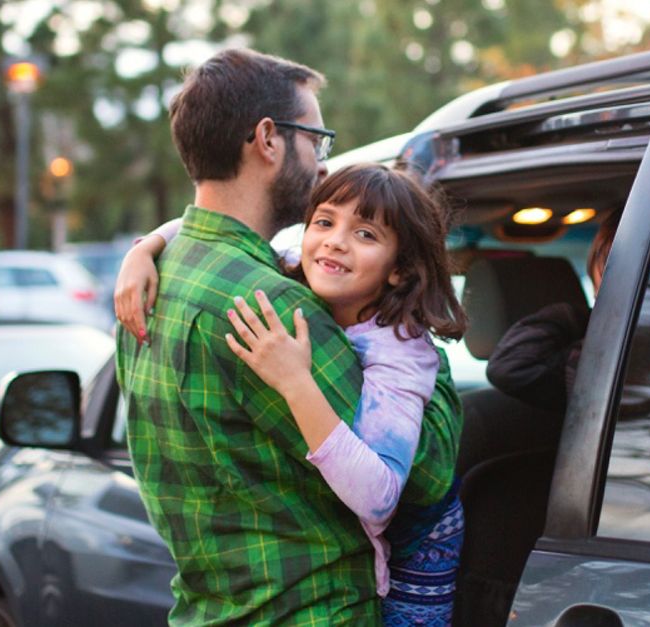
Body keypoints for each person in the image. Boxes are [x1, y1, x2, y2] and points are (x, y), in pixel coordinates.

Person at [114, 48, 461, 625]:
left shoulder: (153, 281)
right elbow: (423, 476)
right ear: (269, 139)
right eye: (318, 140)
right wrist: (421, 344)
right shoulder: (276, 308)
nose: (322, 165)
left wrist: (145, 245)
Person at [485, 209, 621, 410]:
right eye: (610, 267)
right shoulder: (594, 353)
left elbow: (508, 368)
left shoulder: (598, 357)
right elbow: (508, 368)